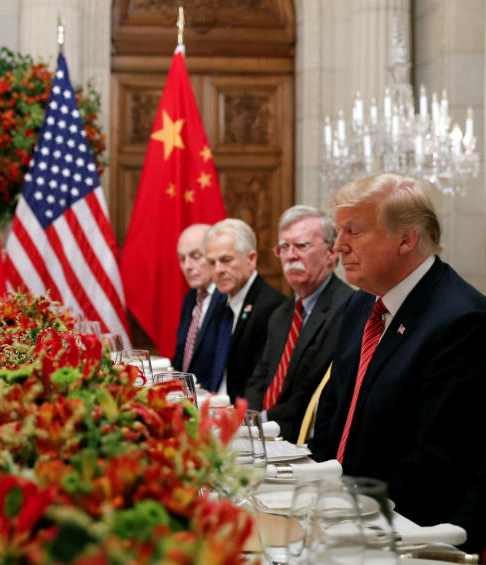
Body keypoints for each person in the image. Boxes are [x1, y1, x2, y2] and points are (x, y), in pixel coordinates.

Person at [310, 172, 486, 531]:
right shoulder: (360, 304)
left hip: (403, 529)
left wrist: (353, 520)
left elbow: (436, 460)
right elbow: (333, 410)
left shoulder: (462, 321)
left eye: (353, 231)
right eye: (338, 231)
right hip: (336, 511)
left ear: (406, 239)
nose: (338, 246)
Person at [243, 206, 352, 442]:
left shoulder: (347, 309)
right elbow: (259, 379)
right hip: (263, 437)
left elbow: (308, 392)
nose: (290, 256)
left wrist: (259, 423)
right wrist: (247, 420)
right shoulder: (282, 314)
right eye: (284, 247)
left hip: (305, 443)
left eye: (301, 246)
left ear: (332, 252)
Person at [203, 218, 288, 399]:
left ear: (251, 259)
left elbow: (261, 383)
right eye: (212, 262)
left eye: (226, 260)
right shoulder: (219, 300)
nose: (218, 270)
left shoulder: (273, 307)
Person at [172, 223, 228, 389]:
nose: (188, 266)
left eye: (196, 256)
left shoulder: (228, 299)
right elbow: (180, 359)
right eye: (182, 259)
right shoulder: (191, 297)